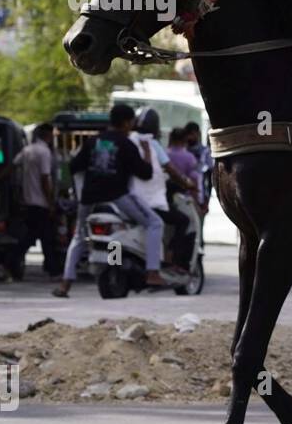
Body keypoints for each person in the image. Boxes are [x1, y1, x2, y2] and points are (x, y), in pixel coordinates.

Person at [53, 103, 163, 297]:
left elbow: (74, 166)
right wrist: (146, 151)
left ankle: (65, 284)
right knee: (155, 223)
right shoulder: (126, 144)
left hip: (88, 200)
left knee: (79, 237)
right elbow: (145, 173)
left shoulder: (92, 142)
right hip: (117, 198)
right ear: (127, 122)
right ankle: (152, 272)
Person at [130, 107, 196, 269]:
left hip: (126, 200)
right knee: (181, 221)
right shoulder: (151, 144)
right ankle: (168, 260)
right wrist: (187, 184)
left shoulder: (128, 140)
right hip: (148, 201)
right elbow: (171, 171)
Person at [12, 122, 61, 278]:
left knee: (38, 236)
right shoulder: (44, 152)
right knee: (41, 236)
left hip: (28, 201)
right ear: (48, 135)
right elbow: (45, 178)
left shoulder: (27, 150)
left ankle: (51, 267)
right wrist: (50, 202)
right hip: (41, 203)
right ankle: (11, 261)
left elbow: (12, 166)